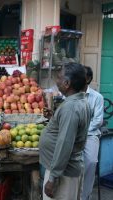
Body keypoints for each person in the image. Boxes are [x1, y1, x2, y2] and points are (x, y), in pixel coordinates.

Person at [39, 63, 91, 200]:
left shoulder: (71, 108)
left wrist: (53, 178)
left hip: (63, 174)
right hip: (65, 170)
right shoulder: (79, 101)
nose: (56, 81)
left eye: (59, 77)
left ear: (67, 83)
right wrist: (54, 117)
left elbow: (64, 144)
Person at [81, 66, 104, 200]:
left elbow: (98, 121)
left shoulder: (97, 97)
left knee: (90, 161)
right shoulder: (72, 95)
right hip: (74, 135)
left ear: (88, 79)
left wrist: (82, 131)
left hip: (90, 134)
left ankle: (85, 196)